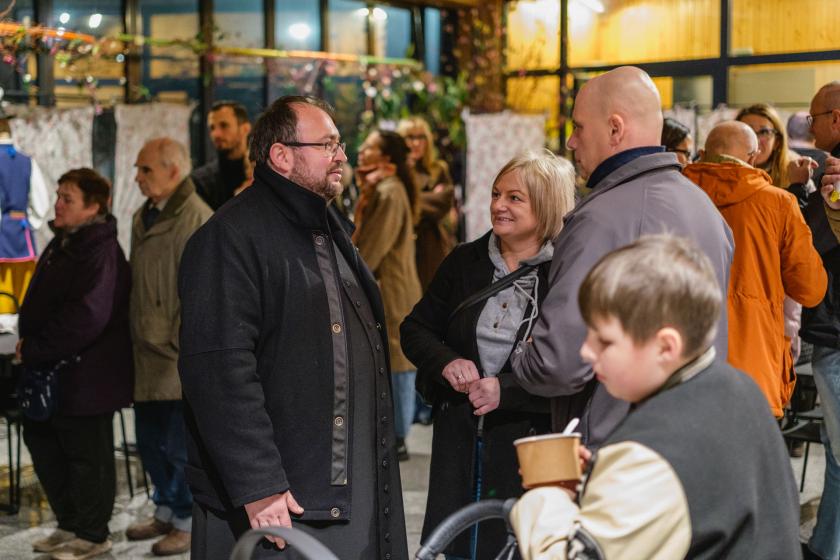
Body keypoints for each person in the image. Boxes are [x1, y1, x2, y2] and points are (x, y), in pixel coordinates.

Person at [178, 96, 408, 560]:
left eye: (339, 144)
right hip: (282, 504)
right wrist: (259, 484)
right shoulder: (230, 236)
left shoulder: (323, 224)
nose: (340, 156)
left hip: (337, 490)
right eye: (327, 145)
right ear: (281, 156)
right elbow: (219, 368)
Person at [510, 235, 801, 560]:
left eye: (605, 341)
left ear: (665, 347)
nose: (586, 351)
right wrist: (605, 475)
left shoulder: (649, 459)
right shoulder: (739, 388)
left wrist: (547, 495)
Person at [511, 66, 734, 447]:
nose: (571, 142)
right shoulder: (705, 208)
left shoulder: (601, 219)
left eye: (579, 127)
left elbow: (559, 363)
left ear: (615, 129)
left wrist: (520, 354)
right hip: (695, 433)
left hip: (618, 443)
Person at [401, 150, 575, 559]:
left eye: (515, 198)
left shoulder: (565, 274)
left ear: (546, 205)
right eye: (497, 194)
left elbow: (571, 367)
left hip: (528, 448)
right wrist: (446, 361)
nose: (498, 205)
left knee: (515, 547)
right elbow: (415, 328)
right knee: (458, 546)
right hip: (459, 444)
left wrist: (506, 390)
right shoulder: (465, 261)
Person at [18, 168, 132, 560]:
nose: (58, 204)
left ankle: (92, 534)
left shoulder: (99, 249)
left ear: (93, 207)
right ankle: (69, 524)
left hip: (88, 374)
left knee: (87, 458)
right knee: (47, 446)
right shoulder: (65, 241)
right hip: (54, 371)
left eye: (67, 198)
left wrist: (37, 347)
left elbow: (88, 315)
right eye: (58, 196)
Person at [683, 121, 826, 418]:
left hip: (683, 363)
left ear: (704, 154)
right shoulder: (778, 204)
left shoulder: (677, 196)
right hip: (753, 365)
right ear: (753, 156)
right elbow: (811, 289)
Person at [127, 138, 212, 556]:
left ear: (173, 171)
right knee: (149, 442)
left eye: (146, 169)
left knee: (178, 446)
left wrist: (178, 339)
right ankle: (165, 508)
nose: (138, 178)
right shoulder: (143, 215)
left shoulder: (196, 217)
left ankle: (185, 520)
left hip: (175, 356)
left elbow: (200, 291)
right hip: (146, 351)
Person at [353, 129, 422, 461]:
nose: (361, 152)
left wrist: (353, 268)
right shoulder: (383, 188)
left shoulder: (389, 191)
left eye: (369, 148)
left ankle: (398, 437)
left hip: (392, 290)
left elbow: (372, 247)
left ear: (385, 157)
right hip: (393, 288)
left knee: (398, 362)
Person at [800, 81, 840, 560]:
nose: (810, 129)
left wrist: (800, 194)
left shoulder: (834, 174)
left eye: (813, 119)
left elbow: (814, 243)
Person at [397, 116, 456, 290]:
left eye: (421, 137)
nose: (416, 143)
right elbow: (397, 205)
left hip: (433, 245)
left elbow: (443, 203)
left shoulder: (438, 169)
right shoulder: (397, 171)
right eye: (410, 137)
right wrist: (429, 197)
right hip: (403, 244)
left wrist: (409, 201)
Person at [191, 101, 252, 210]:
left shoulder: (261, 172)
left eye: (224, 125)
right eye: (212, 128)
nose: (216, 134)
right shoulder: (201, 181)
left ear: (245, 129)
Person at [736, 103, 813, 189]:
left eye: (764, 132)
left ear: (777, 141)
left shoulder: (795, 171)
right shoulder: (725, 171)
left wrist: (798, 186)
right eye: (748, 132)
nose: (756, 140)